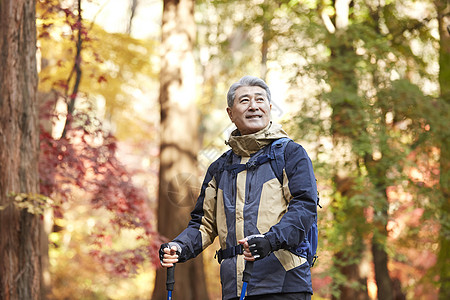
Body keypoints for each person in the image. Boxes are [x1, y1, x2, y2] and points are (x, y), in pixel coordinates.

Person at [160, 75, 318, 300]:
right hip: (234, 287)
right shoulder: (219, 167)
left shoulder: (291, 154)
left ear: (270, 108)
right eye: (244, 101)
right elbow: (203, 224)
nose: (254, 106)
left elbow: (304, 208)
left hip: (285, 285)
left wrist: (269, 240)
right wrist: (179, 247)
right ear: (230, 113)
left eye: (260, 100)